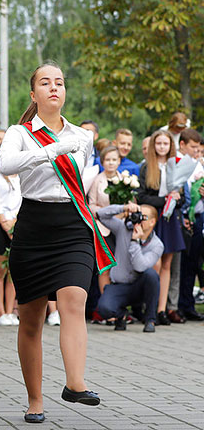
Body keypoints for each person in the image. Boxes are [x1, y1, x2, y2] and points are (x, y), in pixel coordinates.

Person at [0, 62, 106, 424]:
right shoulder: (20, 132)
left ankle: (75, 383)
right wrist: (52, 150)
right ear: (34, 94)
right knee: (31, 319)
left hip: (72, 224)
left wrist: (66, 146)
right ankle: (35, 400)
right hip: (34, 226)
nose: (54, 88)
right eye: (45, 83)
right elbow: (6, 164)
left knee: (74, 298)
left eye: (59, 82)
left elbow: (75, 185)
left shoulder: (82, 136)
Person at [137, 130, 185, 326]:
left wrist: (177, 198)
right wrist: (163, 200)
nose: (162, 147)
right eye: (159, 144)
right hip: (153, 219)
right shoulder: (147, 167)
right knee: (153, 265)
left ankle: (161, 310)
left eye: (166, 144)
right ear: (153, 146)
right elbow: (141, 196)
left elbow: (182, 200)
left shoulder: (177, 167)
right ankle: (149, 308)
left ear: (170, 146)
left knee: (167, 266)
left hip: (171, 219)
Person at [96, 203, 162, 333]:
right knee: (104, 309)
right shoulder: (123, 228)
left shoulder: (157, 245)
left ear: (152, 222)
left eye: (144, 217)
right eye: (138, 215)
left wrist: (134, 242)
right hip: (119, 286)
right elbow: (100, 215)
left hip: (140, 288)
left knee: (151, 275)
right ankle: (121, 315)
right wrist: (123, 208)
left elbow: (140, 266)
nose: (140, 219)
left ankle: (150, 320)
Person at [0, 170, 21, 326]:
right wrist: (5, 224)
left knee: (13, 270)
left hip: (16, 223)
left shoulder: (21, 176)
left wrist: (14, 222)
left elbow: (22, 201)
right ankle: (1, 312)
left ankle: (10, 311)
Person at [87, 145, 123, 292]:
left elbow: (130, 203)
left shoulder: (125, 179)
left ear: (119, 161)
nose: (111, 163)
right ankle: (105, 304)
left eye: (114, 159)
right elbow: (91, 205)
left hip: (121, 226)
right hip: (103, 227)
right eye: (107, 160)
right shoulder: (97, 180)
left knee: (120, 265)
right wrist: (107, 212)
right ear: (102, 162)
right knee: (106, 265)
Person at [178, 129, 204, 321]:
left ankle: (187, 305)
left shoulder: (196, 165)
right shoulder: (177, 163)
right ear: (182, 145)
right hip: (180, 218)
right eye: (193, 147)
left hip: (197, 218)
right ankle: (178, 305)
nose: (197, 151)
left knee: (192, 263)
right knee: (181, 264)